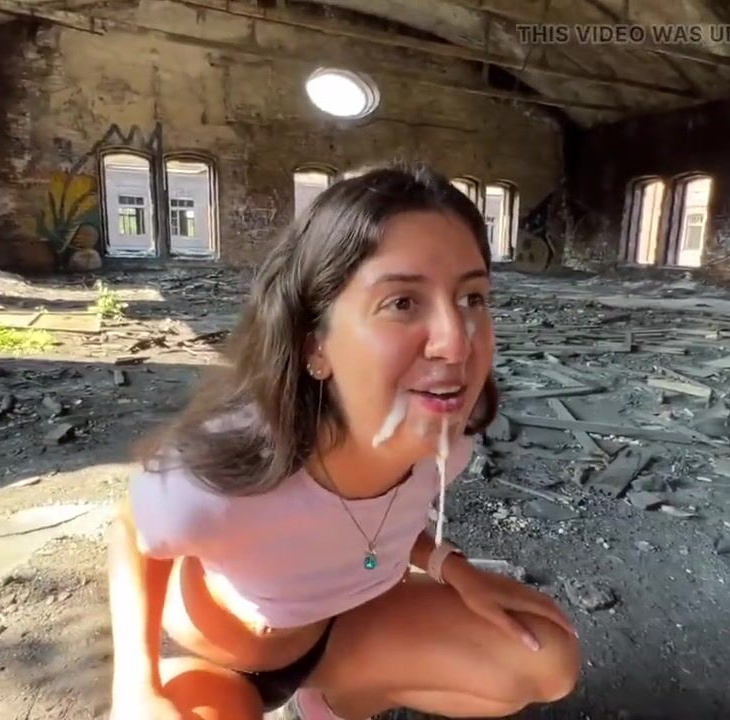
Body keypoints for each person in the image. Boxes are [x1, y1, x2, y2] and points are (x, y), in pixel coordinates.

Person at [107, 163, 581, 720]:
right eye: (402, 302)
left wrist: (452, 567)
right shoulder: (230, 464)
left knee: (547, 658)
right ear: (316, 343)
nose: (456, 343)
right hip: (224, 658)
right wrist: (136, 687)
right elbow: (134, 530)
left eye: (472, 298)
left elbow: (372, 523)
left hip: (343, 631)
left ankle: (332, 703)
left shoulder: (444, 447)